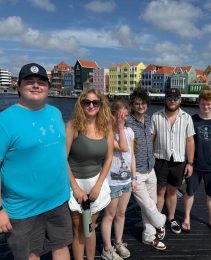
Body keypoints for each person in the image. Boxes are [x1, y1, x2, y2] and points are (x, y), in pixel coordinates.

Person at [0, 63, 72, 260]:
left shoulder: (55, 113)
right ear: (19, 87)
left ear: (48, 87)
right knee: (31, 255)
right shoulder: (4, 121)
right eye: (29, 82)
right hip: (23, 209)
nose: (35, 86)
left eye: (41, 82)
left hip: (58, 200)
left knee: (62, 246)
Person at [66, 87, 113, 260]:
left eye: (95, 102)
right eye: (87, 102)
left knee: (90, 226)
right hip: (75, 183)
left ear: (101, 105)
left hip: (95, 182)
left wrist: (99, 185)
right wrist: (76, 188)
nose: (91, 105)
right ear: (81, 104)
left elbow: (108, 159)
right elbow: (62, 159)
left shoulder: (106, 126)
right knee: (79, 227)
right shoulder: (73, 126)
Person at [151, 88, 195, 234]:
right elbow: (151, 139)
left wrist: (190, 163)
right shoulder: (156, 116)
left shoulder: (187, 118)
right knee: (159, 191)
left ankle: (170, 218)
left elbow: (189, 141)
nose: (172, 101)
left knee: (172, 192)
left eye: (175, 98)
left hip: (179, 161)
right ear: (165, 99)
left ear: (180, 100)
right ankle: (157, 221)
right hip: (159, 159)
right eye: (169, 98)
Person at [127, 87, 166, 251]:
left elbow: (151, 138)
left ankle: (148, 237)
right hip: (136, 172)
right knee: (148, 205)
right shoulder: (127, 121)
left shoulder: (149, 120)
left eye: (143, 103)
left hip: (151, 168)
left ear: (147, 105)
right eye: (137, 103)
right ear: (133, 105)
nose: (140, 106)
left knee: (151, 203)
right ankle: (161, 222)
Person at [182, 90, 211, 235]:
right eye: (203, 104)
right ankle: (187, 218)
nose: (205, 107)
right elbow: (187, 141)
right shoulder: (191, 120)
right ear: (198, 104)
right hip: (194, 165)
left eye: (208, 104)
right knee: (189, 192)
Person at [101, 99, 137, 260]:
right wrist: (120, 127)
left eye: (125, 115)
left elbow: (131, 156)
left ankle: (118, 242)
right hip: (111, 181)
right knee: (109, 215)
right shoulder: (106, 132)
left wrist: (134, 177)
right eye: (119, 114)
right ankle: (107, 249)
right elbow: (122, 147)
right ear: (112, 114)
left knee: (121, 213)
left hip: (126, 180)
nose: (122, 118)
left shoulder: (129, 131)